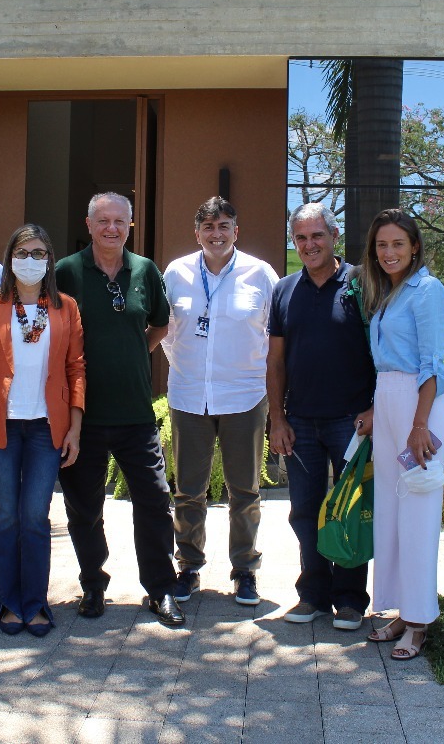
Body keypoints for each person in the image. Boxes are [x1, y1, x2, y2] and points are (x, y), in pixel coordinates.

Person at [55, 192, 185, 628]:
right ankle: (93, 584)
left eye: (120, 221)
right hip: (82, 417)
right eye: (103, 220)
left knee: (153, 501)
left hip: (135, 414)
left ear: (131, 225)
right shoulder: (67, 272)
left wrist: (134, 350)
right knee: (84, 507)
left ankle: (161, 589)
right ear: (88, 224)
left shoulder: (145, 270)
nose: (112, 228)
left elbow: (161, 323)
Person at [0, 224, 86, 637]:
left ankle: (34, 604)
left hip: (46, 428)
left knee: (35, 516)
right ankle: (7, 604)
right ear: (9, 258)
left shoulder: (65, 307)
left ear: (50, 260)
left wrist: (75, 427)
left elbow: (75, 369)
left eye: (38, 253)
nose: (30, 261)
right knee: (5, 518)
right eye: (22, 252)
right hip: (2, 426)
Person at [161, 197, 278, 606]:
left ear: (236, 231)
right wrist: (191, 370)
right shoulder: (175, 273)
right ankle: (188, 567)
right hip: (190, 396)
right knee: (188, 491)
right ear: (197, 234)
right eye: (208, 227)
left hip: (245, 397)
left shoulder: (260, 274)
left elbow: (271, 335)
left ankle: (244, 569)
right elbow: (167, 334)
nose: (216, 233)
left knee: (244, 491)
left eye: (224, 225)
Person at [267, 202, 376, 630]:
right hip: (301, 424)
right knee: (305, 510)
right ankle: (312, 594)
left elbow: (382, 351)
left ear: (334, 236)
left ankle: (350, 599)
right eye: (301, 238)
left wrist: (373, 408)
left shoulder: (361, 283)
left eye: (317, 236)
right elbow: (275, 361)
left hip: (351, 421)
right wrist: (277, 418)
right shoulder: (284, 290)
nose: (309, 245)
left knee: (349, 509)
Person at [360, 208, 444, 661]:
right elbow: (388, 366)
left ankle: (419, 624)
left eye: (398, 244)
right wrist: (377, 411)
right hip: (390, 403)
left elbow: (431, 364)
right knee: (392, 516)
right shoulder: (388, 293)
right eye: (382, 245)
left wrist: (419, 426)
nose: (389, 252)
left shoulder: (428, 292)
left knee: (417, 517)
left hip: (423, 408)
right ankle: (401, 611)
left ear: (414, 245)